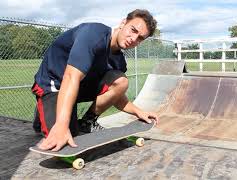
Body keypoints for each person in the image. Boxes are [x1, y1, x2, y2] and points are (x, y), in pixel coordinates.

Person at [31, 9, 159, 152]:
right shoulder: (93, 34)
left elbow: (116, 96)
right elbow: (70, 76)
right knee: (66, 134)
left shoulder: (119, 61)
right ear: (123, 23)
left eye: (140, 38)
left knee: (121, 81)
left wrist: (138, 112)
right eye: (133, 30)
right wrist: (61, 124)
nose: (134, 39)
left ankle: (87, 122)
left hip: (78, 86)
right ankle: (43, 113)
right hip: (54, 84)